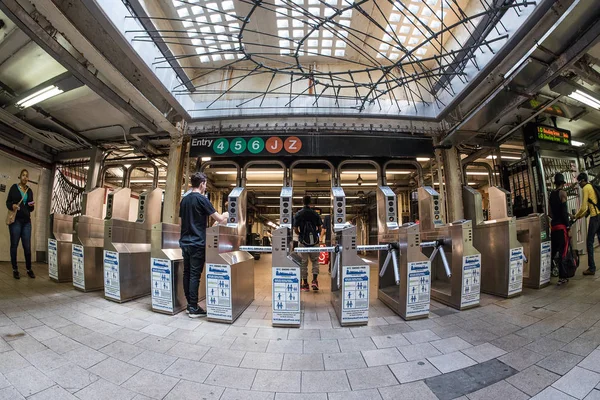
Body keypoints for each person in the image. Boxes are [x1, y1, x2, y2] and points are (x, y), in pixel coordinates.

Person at [179, 172, 227, 317]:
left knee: (187, 273)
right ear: (202, 184)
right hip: (197, 243)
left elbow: (181, 222)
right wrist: (226, 214)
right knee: (194, 275)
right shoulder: (202, 199)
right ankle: (193, 307)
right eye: (205, 184)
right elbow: (219, 219)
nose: (205, 186)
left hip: (184, 242)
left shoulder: (184, 200)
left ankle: (190, 304)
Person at [6, 169, 35, 279]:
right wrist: (12, 206)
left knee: (27, 247)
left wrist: (32, 205)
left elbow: (31, 208)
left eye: (27, 176)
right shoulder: (14, 188)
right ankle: (15, 269)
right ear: (20, 176)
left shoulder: (29, 190)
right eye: (23, 175)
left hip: (27, 222)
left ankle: (29, 269)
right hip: (16, 221)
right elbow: (8, 202)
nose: (25, 177)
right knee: (14, 245)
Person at [294, 195, 323, 291]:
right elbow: (319, 229)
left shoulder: (298, 214)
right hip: (314, 242)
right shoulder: (315, 214)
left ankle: (305, 284)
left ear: (302, 202)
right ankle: (314, 281)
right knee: (315, 261)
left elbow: (295, 230)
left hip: (303, 242)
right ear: (310, 202)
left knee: (303, 263)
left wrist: (302, 235)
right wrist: (314, 234)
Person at [574, 172, 598, 276]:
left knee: (589, 242)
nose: (579, 185)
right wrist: (581, 216)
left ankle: (591, 268)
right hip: (599, 215)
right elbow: (590, 205)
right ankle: (592, 267)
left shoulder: (585, 188)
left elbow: (584, 207)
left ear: (583, 180)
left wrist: (576, 216)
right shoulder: (591, 186)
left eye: (579, 182)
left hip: (595, 218)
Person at [549, 173, 571, 285]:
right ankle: (562, 277)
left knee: (553, 251)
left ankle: (549, 272)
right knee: (563, 251)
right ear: (563, 183)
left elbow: (550, 213)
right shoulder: (563, 193)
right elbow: (563, 210)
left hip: (554, 227)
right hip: (562, 227)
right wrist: (568, 226)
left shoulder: (551, 194)